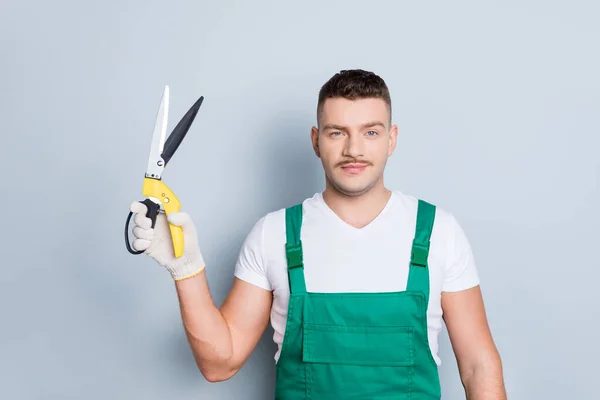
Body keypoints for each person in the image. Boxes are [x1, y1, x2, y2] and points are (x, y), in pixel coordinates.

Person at [129, 69, 507, 399]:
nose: (353, 149)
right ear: (316, 140)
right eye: (337, 132)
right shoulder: (274, 235)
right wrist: (186, 269)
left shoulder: (439, 232)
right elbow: (219, 363)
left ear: (391, 140)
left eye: (370, 132)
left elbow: (478, 366)